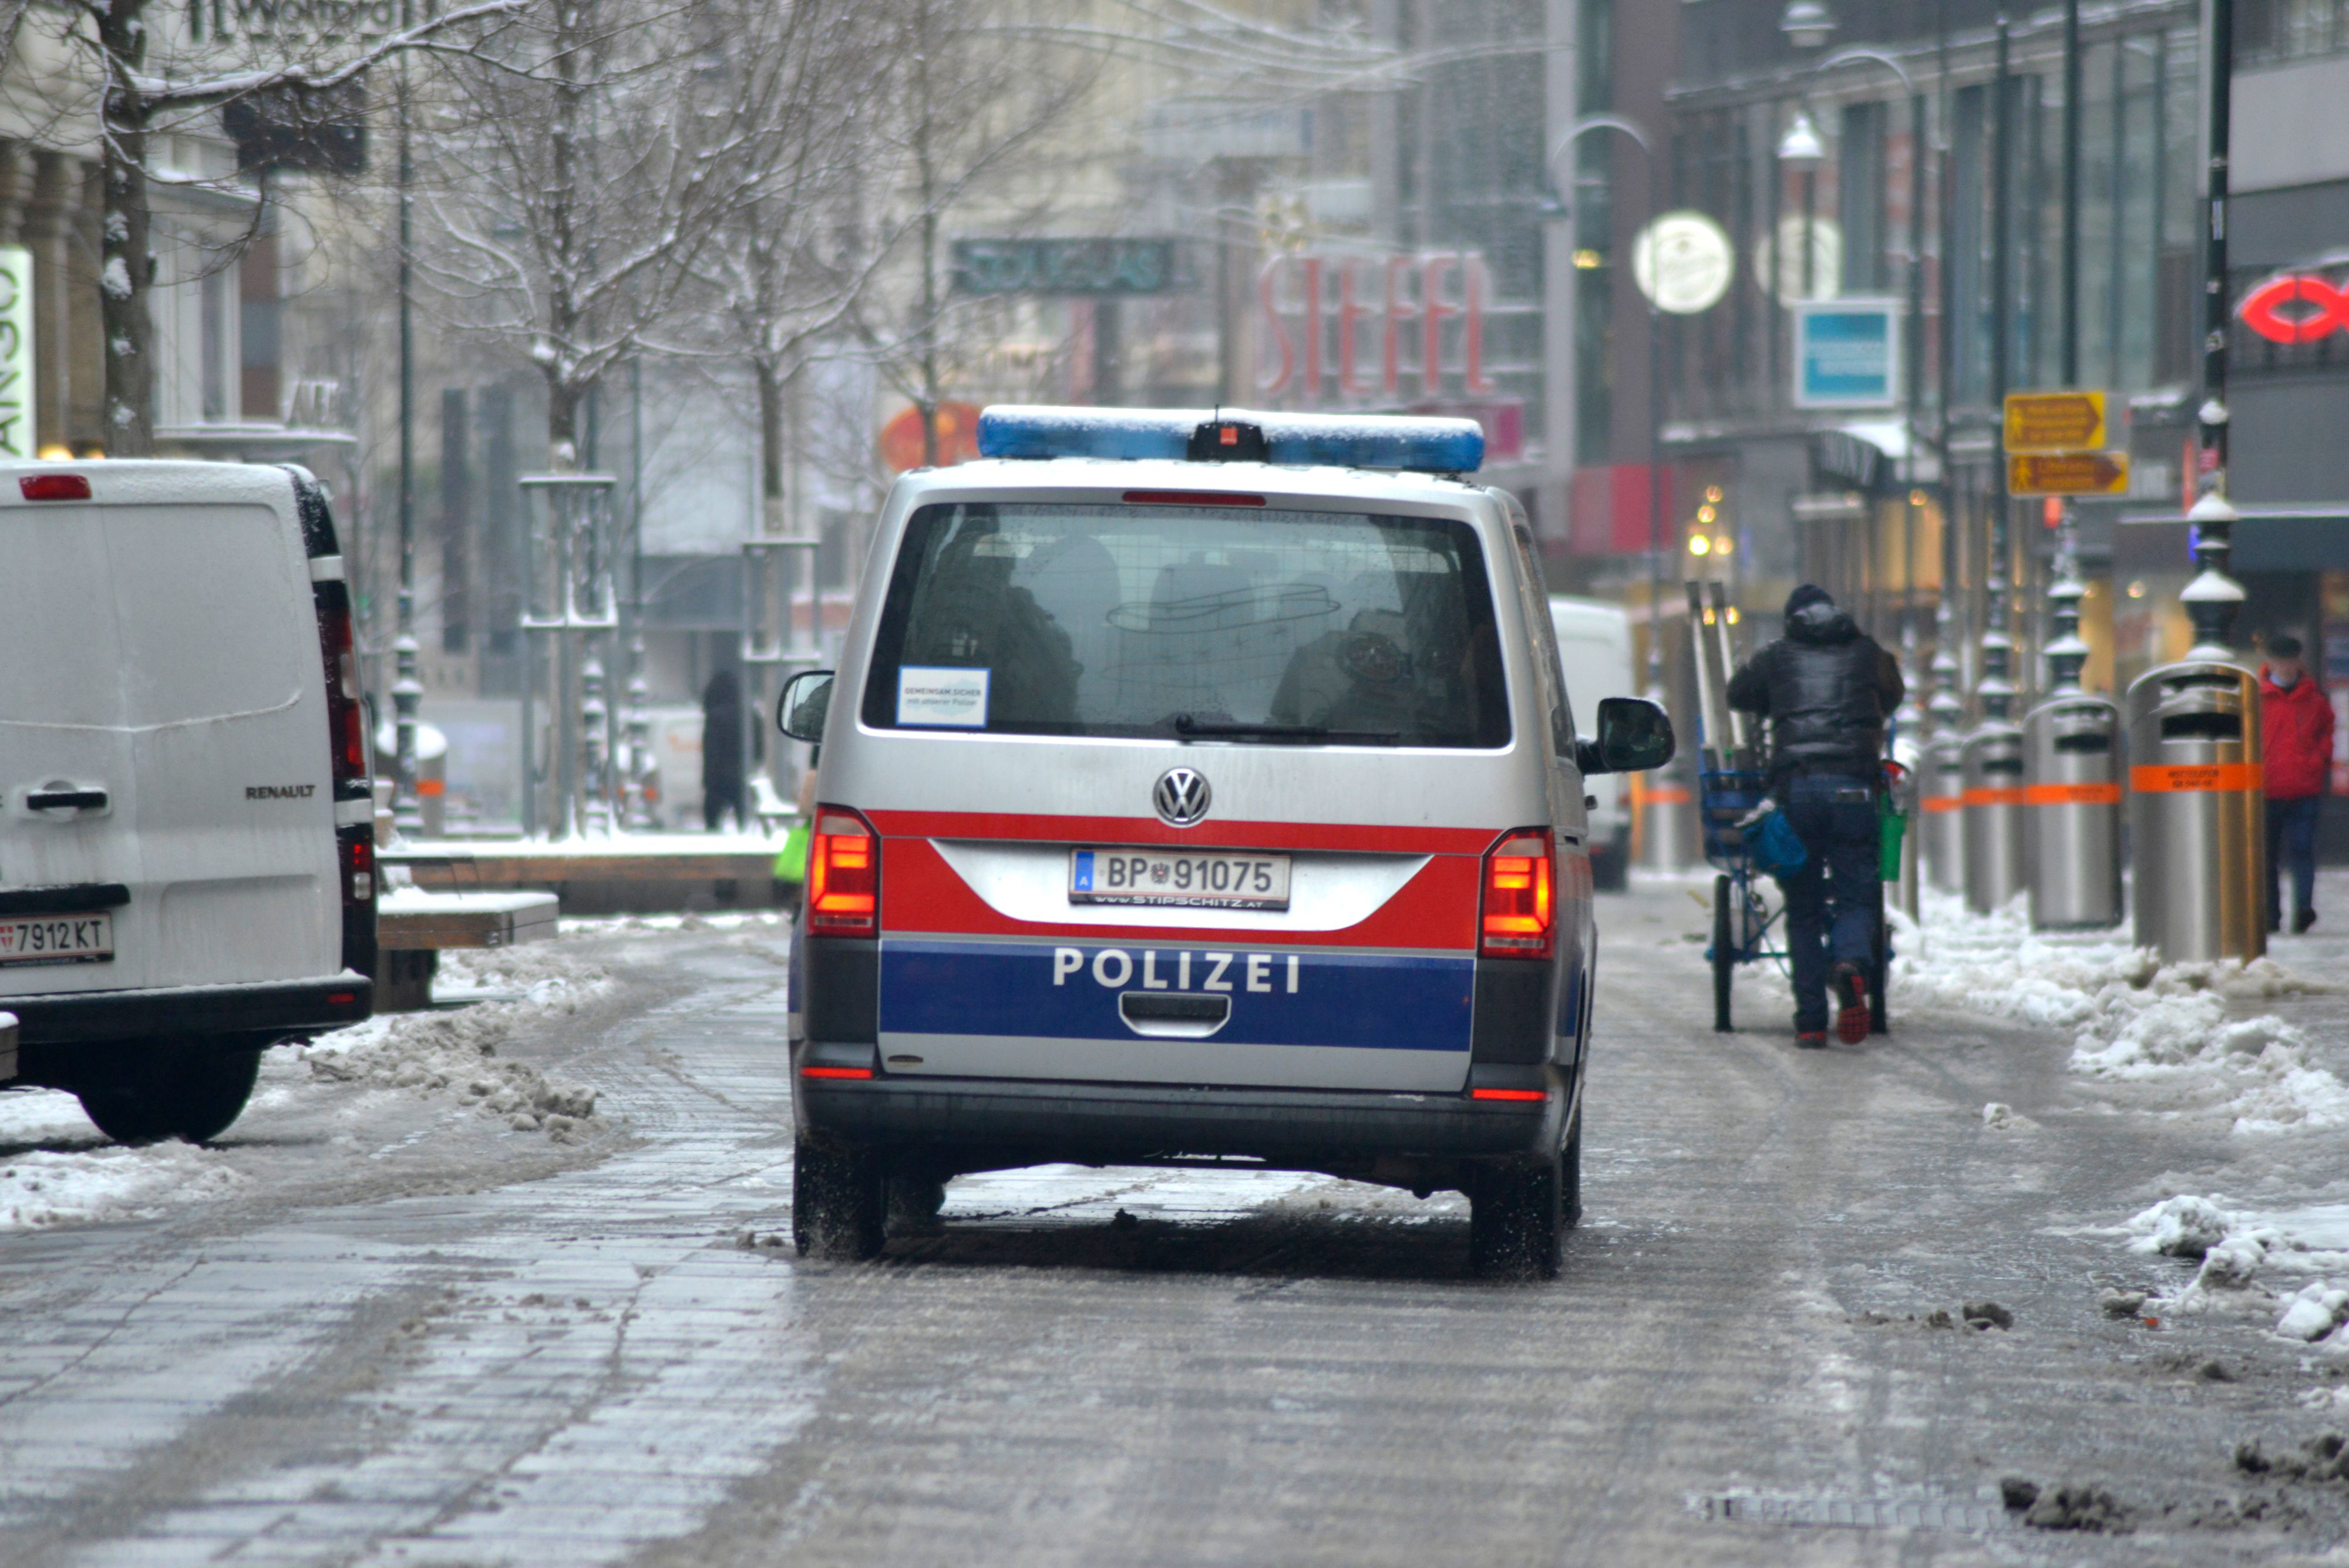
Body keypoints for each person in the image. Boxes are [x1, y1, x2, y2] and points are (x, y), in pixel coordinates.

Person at [1726, 585, 1906, 1047]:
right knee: (1856, 895)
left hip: (1799, 788)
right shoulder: (1869, 653)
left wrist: (1776, 699)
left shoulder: (1778, 656)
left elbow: (1737, 694)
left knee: (1803, 909)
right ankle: (1849, 963)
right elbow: (1894, 694)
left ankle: (1809, 1021)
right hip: (1855, 787)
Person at [2260, 634, 2334, 934]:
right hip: (2267, 789)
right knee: (2268, 857)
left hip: (2304, 788)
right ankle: (2271, 915)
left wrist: (2318, 760)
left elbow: (2328, 732)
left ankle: (2303, 909)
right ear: (2270, 662)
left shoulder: (2315, 700)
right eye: (2280, 661)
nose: (2286, 667)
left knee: (2302, 850)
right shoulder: (2255, 697)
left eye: (2290, 661)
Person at [701, 667, 748, 832]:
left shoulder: (714, 717)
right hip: (742, 776)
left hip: (719, 779)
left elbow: (711, 752)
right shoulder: (749, 716)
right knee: (746, 822)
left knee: (712, 823)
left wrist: (708, 780)